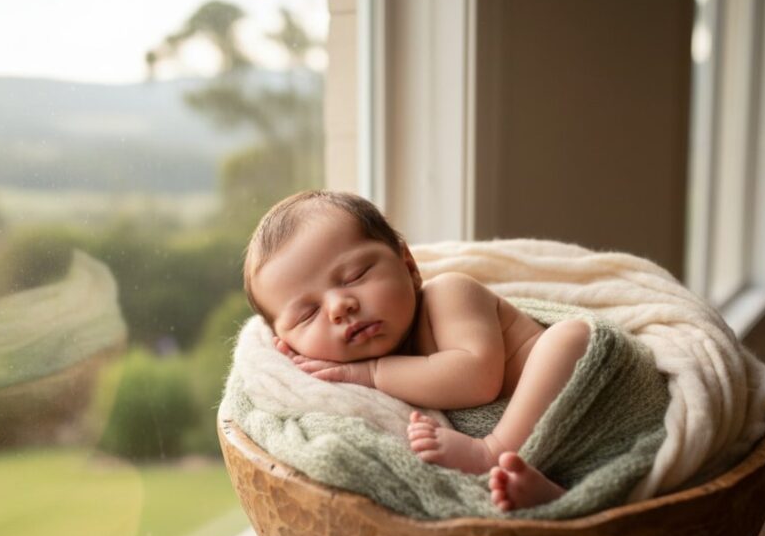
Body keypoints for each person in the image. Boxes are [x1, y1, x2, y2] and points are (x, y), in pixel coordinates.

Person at [243, 190, 590, 511]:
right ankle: (564, 497)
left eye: (355, 276)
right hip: (552, 453)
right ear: (286, 345)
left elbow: (477, 378)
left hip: (583, 403)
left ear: (409, 267)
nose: (339, 306)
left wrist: (372, 373)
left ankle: (493, 454)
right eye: (308, 314)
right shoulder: (346, 390)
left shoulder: (448, 296)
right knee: (525, 485)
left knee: (568, 339)